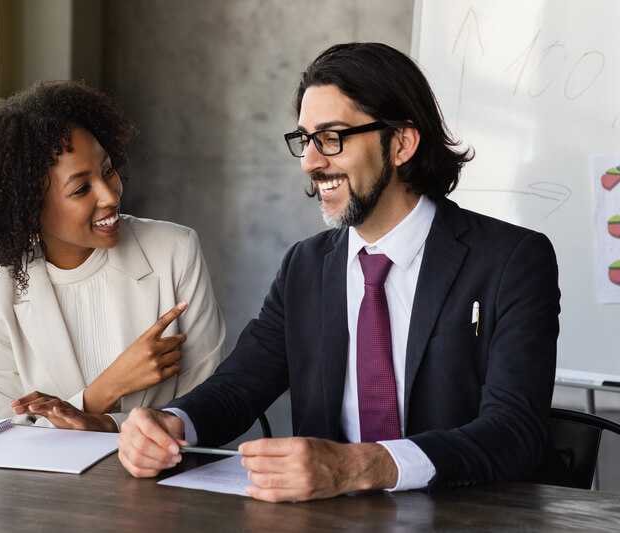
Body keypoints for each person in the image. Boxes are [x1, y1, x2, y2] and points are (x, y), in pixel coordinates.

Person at [114, 42, 563, 501]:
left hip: (461, 516)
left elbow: (515, 432)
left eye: (332, 138)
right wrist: (170, 423)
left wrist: (361, 466)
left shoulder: (512, 261)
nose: (311, 161)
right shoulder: (305, 267)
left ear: (402, 143)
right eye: (305, 140)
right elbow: (237, 388)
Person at [0, 80, 225, 432]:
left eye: (108, 170)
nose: (110, 195)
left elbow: (208, 410)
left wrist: (97, 424)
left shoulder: (175, 251)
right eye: (81, 188)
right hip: (39, 487)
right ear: (28, 208)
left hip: (161, 480)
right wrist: (103, 391)